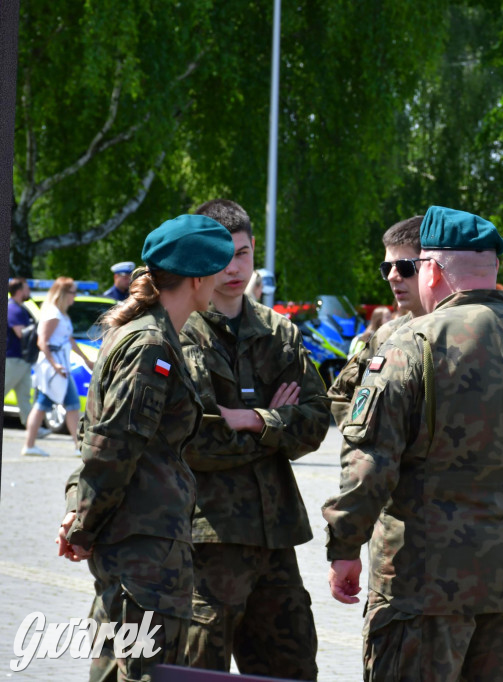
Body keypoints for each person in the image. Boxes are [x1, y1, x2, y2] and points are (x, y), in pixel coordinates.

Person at [322, 205, 503, 681]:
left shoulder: (410, 344)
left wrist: (344, 546)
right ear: (492, 269)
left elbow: (370, 462)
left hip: (424, 589)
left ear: (432, 269)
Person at [57, 214, 235, 682]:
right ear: (197, 278)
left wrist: (80, 514)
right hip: (144, 555)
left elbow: (101, 440)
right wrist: (81, 524)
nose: (221, 281)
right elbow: (112, 446)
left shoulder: (146, 332)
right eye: (217, 271)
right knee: (142, 672)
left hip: (138, 548)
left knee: (115, 670)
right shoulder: (151, 343)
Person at [179, 198, 330, 680]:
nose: (234, 267)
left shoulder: (279, 332)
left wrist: (253, 420)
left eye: (243, 254)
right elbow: (192, 439)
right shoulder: (180, 331)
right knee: (199, 669)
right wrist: (277, 422)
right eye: (221, 256)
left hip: (276, 537)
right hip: (208, 540)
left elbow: (315, 423)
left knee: (291, 668)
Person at [327, 215, 426, 429]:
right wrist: (368, 438)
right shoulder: (386, 334)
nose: (392, 276)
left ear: (431, 267)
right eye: (386, 268)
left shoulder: (463, 332)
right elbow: (339, 395)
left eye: (404, 266)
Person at [22, 277, 95, 457]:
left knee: (68, 405)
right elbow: (42, 342)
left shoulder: (61, 314)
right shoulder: (53, 314)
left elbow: (69, 340)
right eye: (73, 292)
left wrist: (85, 358)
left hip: (60, 366)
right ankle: (31, 445)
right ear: (63, 293)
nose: (75, 297)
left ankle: (77, 446)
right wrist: (55, 365)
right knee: (49, 405)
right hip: (54, 368)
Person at [6, 277, 35, 427]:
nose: (28, 291)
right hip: (13, 359)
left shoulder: (21, 308)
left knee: (24, 396)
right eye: (26, 288)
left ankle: (31, 427)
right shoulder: (13, 308)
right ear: (19, 291)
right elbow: (20, 333)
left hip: (22, 359)